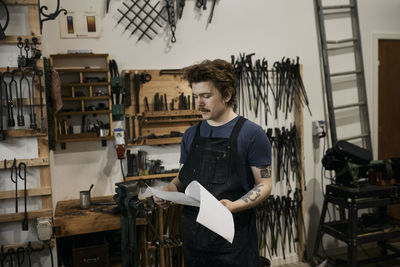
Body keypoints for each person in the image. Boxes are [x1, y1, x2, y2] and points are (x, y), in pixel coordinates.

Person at [153, 59, 272, 267]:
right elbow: (182, 179)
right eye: (196, 96)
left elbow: (265, 184)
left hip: (232, 242)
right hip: (195, 239)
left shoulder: (252, 134)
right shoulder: (191, 135)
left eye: (206, 96)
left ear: (226, 95)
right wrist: (168, 191)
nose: (199, 103)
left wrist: (234, 206)